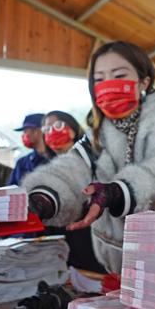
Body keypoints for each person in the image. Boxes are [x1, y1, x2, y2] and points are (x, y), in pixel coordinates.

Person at [24, 42, 155, 273]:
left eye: (119, 75)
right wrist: (44, 196)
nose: (108, 85)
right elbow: (71, 168)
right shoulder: (97, 134)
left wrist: (119, 192)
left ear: (144, 81)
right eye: (99, 79)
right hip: (113, 260)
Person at [39, 111, 105, 273]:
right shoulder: (48, 167)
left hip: (91, 237)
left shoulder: (93, 158)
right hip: (64, 243)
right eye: (46, 129)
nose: (51, 132)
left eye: (57, 126)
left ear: (73, 130)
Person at [9, 113, 50, 185]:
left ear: (37, 131)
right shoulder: (22, 163)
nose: (23, 135)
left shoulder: (57, 159)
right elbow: (11, 188)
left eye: (25, 131)